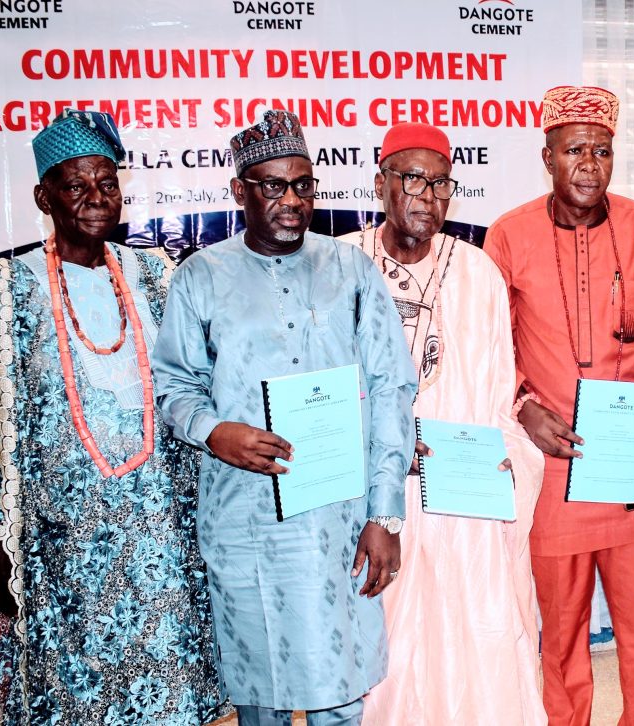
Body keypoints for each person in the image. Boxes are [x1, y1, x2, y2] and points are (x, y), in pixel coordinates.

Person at [151, 109, 417, 726]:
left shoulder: (350, 270)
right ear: (241, 190)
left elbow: (390, 389)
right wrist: (215, 432)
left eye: (303, 185)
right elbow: (173, 384)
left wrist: (384, 516)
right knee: (260, 695)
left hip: (338, 519)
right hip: (245, 519)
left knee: (339, 687)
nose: (292, 201)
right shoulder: (201, 276)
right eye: (273, 186)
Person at [0, 110, 225, 725]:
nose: (96, 198)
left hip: (159, 533)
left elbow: (200, 385)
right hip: (58, 544)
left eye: (107, 182)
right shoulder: (2, 287)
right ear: (44, 196)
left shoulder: (158, 275)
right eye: (75, 185)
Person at [485, 86, 634, 726]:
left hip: (633, 471)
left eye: (602, 151)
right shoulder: (508, 235)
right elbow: (492, 351)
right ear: (546, 155)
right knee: (563, 641)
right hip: (552, 472)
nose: (589, 165)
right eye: (574, 150)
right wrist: (521, 406)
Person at [343, 122, 545, 725]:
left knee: (475, 629)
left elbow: (497, 386)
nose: (426, 196)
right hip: (374, 487)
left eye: (440, 183)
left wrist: (505, 452)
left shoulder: (477, 270)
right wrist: (384, 444)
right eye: (411, 179)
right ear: (381, 184)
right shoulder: (344, 263)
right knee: (389, 643)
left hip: (459, 490)